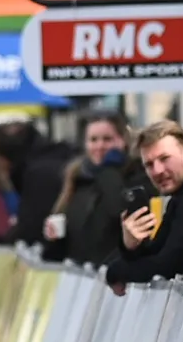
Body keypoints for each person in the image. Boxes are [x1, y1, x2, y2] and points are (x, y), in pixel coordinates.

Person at [104, 120, 183, 292]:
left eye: (165, 158)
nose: (157, 170)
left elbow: (168, 265)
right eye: (149, 164)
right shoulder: (179, 197)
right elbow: (157, 254)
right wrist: (131, 245)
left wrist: (115, 272)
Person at [42, 111, 149, 267]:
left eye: (108, 139)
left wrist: (109, 169)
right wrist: (54, 240)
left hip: (118, 279)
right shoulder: (77, 180)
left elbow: (117, 210)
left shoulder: (137, 177)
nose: (100, 146)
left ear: (123, 141)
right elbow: (65, 251)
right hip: (83, 281)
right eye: (93, 140)